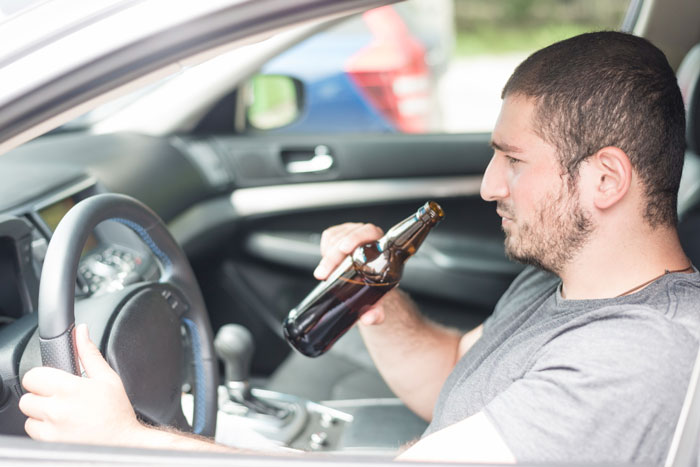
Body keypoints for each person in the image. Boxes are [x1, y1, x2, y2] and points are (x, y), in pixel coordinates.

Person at [18, 30, 700, 464]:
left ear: (605, 178)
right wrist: (381, 306)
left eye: (513, 160)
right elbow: (454, 376)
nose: (490, 185)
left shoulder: (638, 357)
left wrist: (127, 441)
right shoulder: (561, 280)